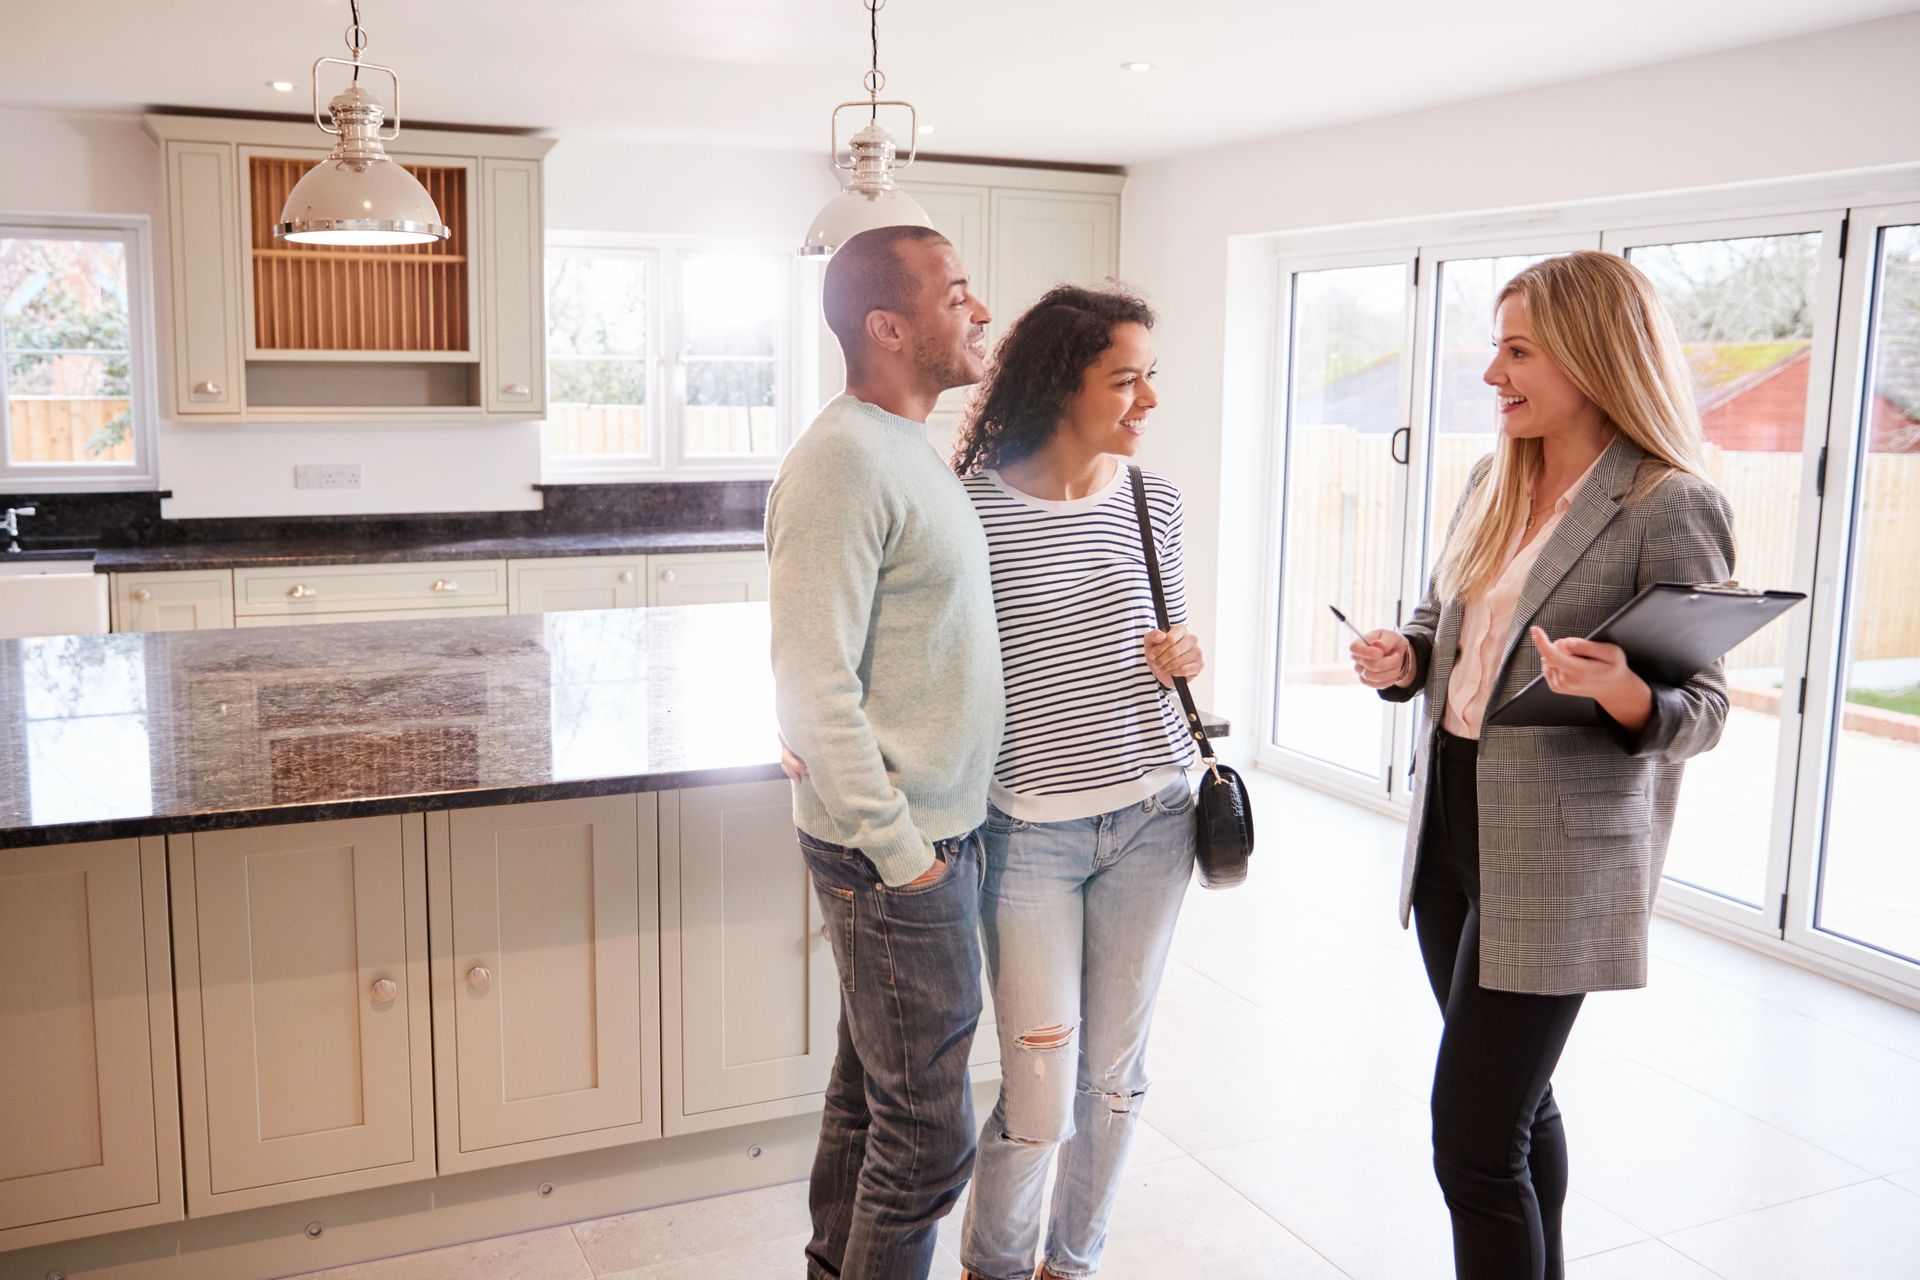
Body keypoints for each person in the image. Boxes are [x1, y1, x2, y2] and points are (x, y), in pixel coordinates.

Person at [1349, 250, 1735, 1280]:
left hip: (1561, 855)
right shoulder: (1494, 477)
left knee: (1470, 1141)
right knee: (1518, 1105)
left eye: (1517, 351)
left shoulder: (1667, 503)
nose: (1493, 374)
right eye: (1497, 346)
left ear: (1590, 356)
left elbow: (1702, 710)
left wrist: (1618, 690)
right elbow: (1444, 624)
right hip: (1455, 822)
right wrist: (1407, 658)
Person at [950, 285, 1204, 1280]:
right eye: (1126, 378)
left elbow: (1171, 651)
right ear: (1065, 382)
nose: (1147, 400)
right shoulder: (972, 510)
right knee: (1043, 1081)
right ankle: (997, 1264)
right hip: (1028, 836)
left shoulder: (1156, 500)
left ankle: (1073, 1261)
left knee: (1114, 1078)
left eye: (1151, 377)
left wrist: (1183, 653)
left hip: (1153, 814)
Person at [766, 224, 1003, 1280]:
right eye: (957, 293)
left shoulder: (907, 445)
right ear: (890, 326)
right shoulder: (842, 461)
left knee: (870, 1109)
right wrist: (903, 852)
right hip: (895, 854)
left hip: (923, 834)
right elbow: (813, 684)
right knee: (926, 1139)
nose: (979, 309)